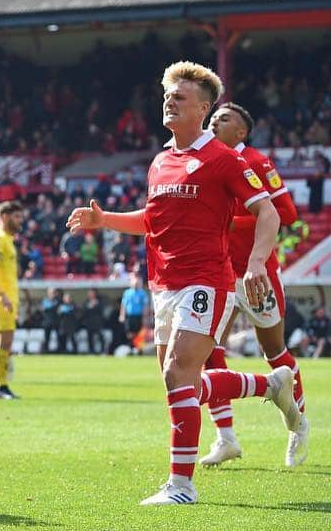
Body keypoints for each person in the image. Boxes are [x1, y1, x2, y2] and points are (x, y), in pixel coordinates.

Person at [67, 61, 299, 506]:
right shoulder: (161, 161)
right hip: (164, 282)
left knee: (178, 374)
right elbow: (151, 221)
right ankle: (270, 385)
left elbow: (269, 212)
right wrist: (104, 220)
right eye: (167, 96)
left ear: (204, 108)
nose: (170, 103)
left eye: (180, 98)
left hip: (207, 281)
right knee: (183, 385)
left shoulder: (224, 160)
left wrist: (254, 264)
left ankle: (181, 485)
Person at [199, 103, 309, 468]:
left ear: (242, 132)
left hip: (257, 275)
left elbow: (288, 215)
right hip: (220, 275)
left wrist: (232, 223)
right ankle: (225, 437)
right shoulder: (207, 162)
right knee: (209, 349)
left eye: (224, 118)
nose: (215, 121)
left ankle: (298, 425)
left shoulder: (258, 163)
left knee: (274, 352)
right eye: (213, 117)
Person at [0, 201, 24, 399]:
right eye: (17, 217)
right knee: (4, 344)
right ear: (5, 216)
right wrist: (3, 295)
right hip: (3, 299)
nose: (20, 221)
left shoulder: (3, 238)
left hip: (2, 298)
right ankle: (2, 387)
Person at [117, 275, 149, 353]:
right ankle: (131, 347)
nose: (136, 284)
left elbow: (145, 306)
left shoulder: (142, 293)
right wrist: (122, 315)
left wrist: (145, 317)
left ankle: (138, 349)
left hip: (139, 316)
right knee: (129, 333)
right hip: (129, 316)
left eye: (137, 283)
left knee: (139, 333)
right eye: (134, 283)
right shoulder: (127, 293)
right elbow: (124, 305)